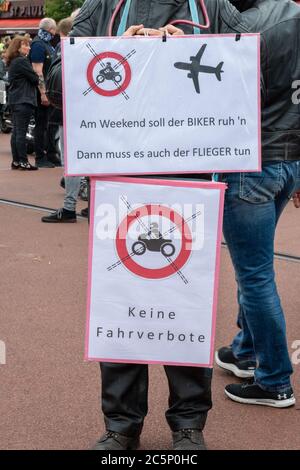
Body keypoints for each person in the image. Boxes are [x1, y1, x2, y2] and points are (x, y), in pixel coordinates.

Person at [47, 0, 266, 451]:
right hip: (119, 181)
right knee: (121, 304)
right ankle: (121, 425)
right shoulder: (103, 7)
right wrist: (110, 50)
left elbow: (255, 76)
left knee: (186, 304)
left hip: (189, 184)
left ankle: (188, 423)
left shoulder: (213, 7)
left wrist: (193, 50)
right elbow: (57, 79)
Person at [215, 0, 300, 408]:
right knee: (255, 265)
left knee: (254, 274)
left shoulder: (243, 25)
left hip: (251, 160)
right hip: (290, 159)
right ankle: (246, 350)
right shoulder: (290, 12)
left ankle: (274, 379)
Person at [42, 14, 88, 223]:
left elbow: (60, 80)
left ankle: (69, 207)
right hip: (95, 110)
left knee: (72, 159)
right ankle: (94, 202)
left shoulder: (71, 46)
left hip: (74, 110)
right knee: (93, 158)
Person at [29, 17, 58, 168]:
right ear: (51, 30)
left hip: (49, 90)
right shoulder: (39, 45)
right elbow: (37, 71)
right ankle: (40, 157)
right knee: (41, 125)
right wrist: (43, 93)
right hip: (41, 92)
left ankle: (50, 155)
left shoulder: (46, 44)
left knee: (48, 124)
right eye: (54, 30)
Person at [6, 36, 38, 170]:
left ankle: (17, 161)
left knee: (16, 132)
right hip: (23, 99)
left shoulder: (14, 61)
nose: (29, 48)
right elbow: (35, 78)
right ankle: (23, 161)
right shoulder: (21, 61)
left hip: (15, 99)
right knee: (21, 132)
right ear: (18, 47)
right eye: (26, 45)